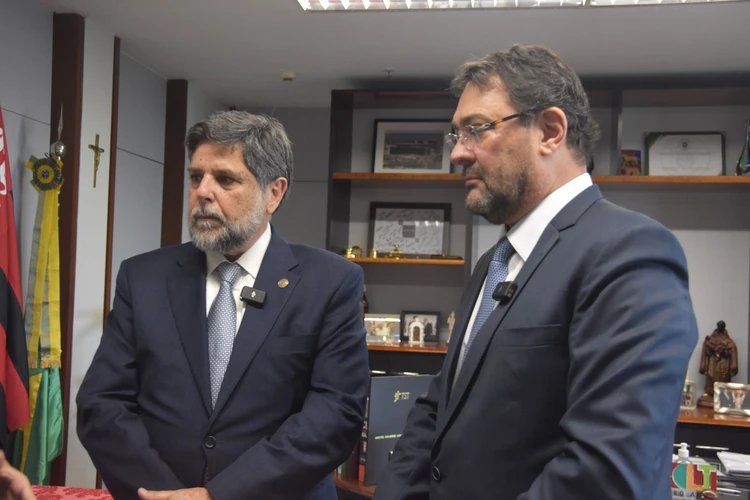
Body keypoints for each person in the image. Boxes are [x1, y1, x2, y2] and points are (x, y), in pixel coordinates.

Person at [373, 45, 698, 500]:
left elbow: (607, 472)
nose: (458, 153)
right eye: (456, 135)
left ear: (549, 131)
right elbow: (438, 407)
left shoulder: (630, 253)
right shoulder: (493, 263)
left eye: (476, 130)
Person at [76, 111, 370, 500]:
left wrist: (219, 495)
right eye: (196, 177)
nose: (203, 192)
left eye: (225, 179)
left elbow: (335, 414)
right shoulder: (143, 278)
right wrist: (166, 496)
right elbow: (102, 404)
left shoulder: (330, 282)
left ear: (274, 193)